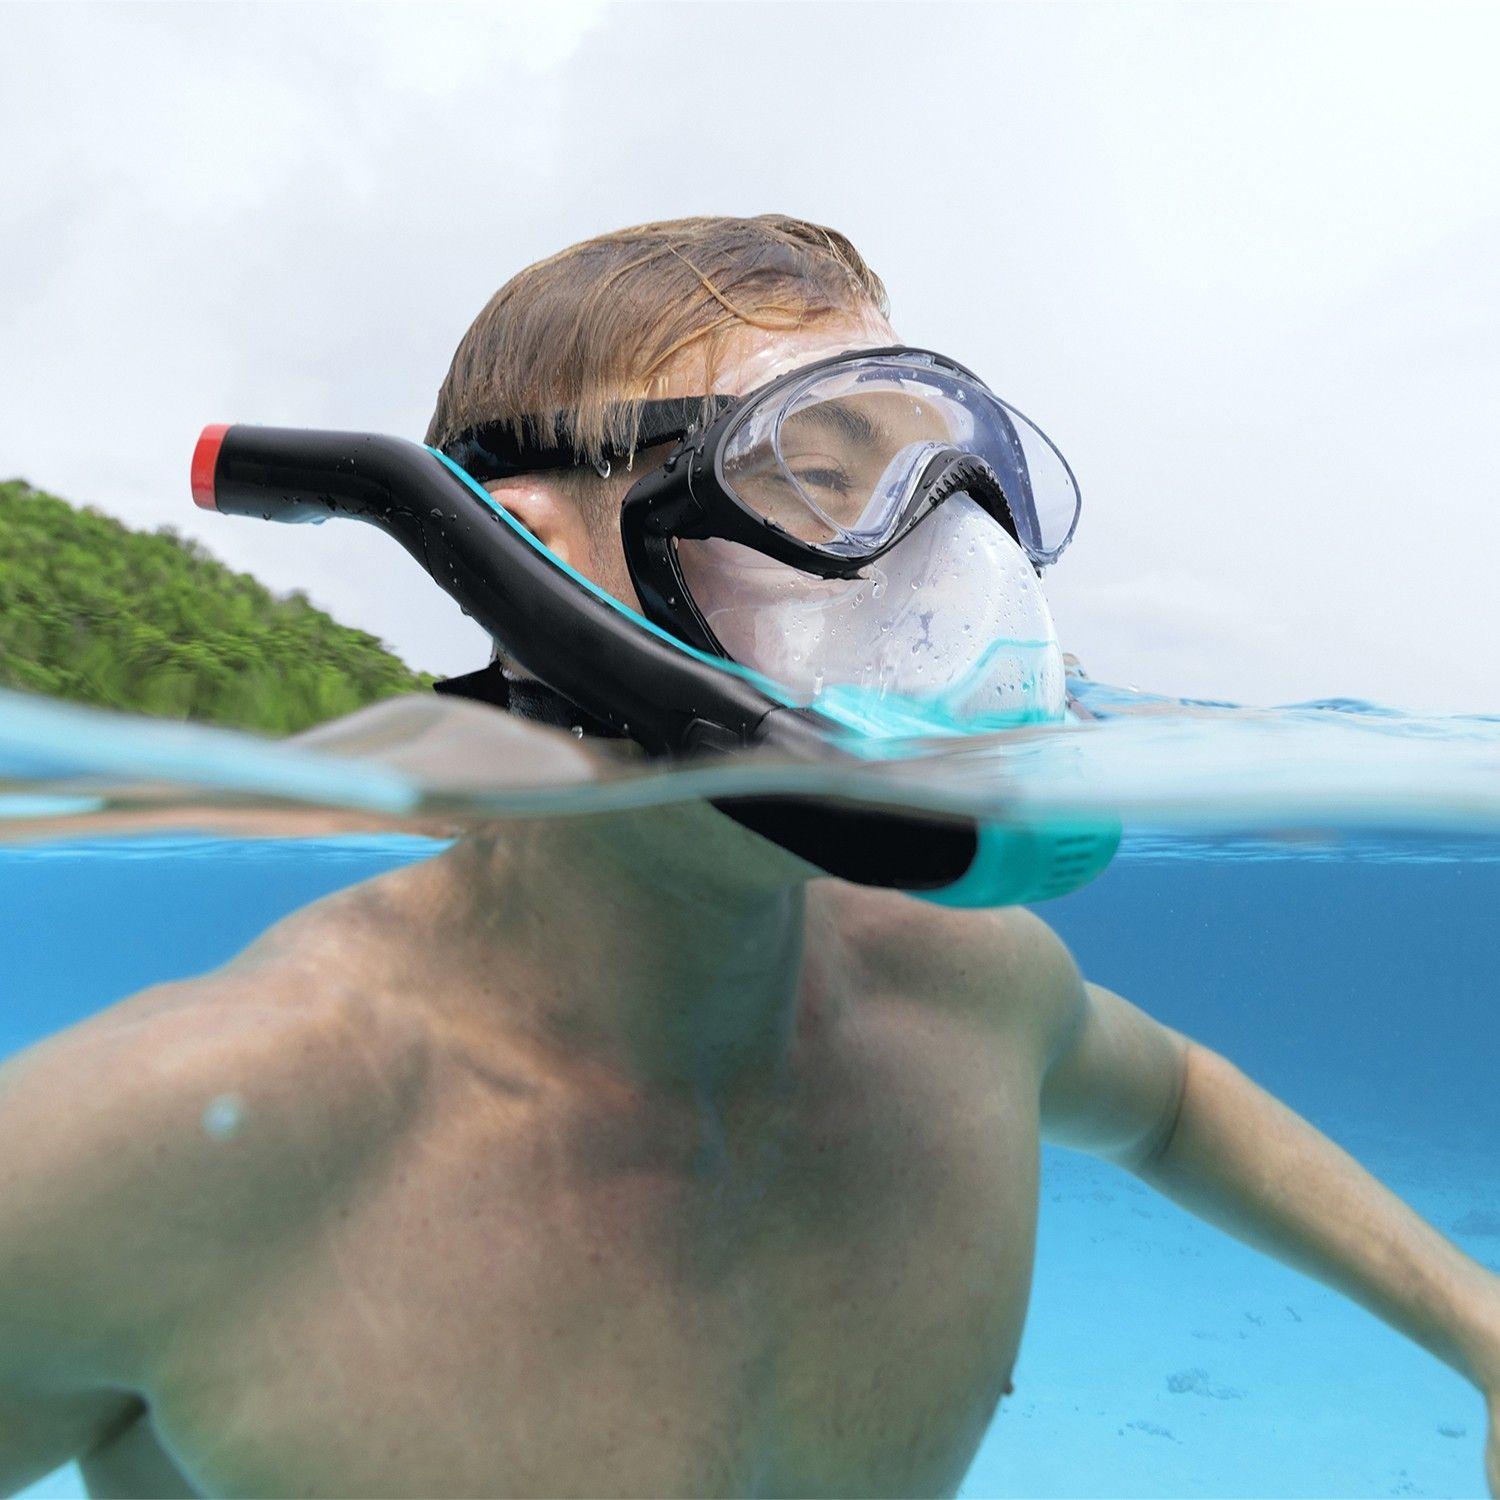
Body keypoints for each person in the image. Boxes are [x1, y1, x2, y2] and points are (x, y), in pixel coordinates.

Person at [2, 215, 1496, 1499]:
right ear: (532, 560)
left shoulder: (962, 997)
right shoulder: (186, 1141)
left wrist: (1482, 1335)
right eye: (816, 472)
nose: (938, 578)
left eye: (957, 489)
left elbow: (1167, 1102)